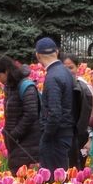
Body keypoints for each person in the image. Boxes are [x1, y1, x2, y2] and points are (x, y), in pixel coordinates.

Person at [0, 55, 39, 173]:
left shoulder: (26, 86)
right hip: (16, 141)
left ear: (6, 71)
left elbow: (31, 114)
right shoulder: (10, 86)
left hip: (28, 141)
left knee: (25, 177)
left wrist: (15, 134)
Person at [36, 37, 75, 174]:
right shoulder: (66, 72)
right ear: (57, 52)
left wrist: (45, 137)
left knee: (52, 181)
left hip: (56, 137)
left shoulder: (53, 77)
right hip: (66, 132)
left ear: (38, 55)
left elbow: (55, 112)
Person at [60, 54, 92, 169]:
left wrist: (89, 137)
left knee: (77, 168)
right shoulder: (59, 87)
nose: (68, 71)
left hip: (79, 137)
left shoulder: (83, 88)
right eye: (65, 68)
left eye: (71, 67)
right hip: (64, 138)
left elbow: (89, 116)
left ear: (77, 67)